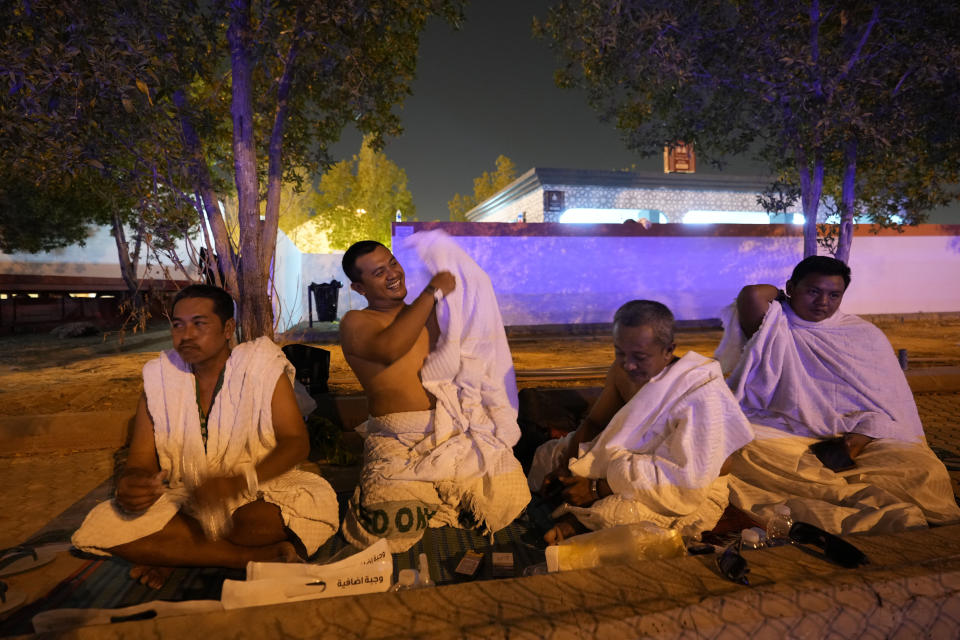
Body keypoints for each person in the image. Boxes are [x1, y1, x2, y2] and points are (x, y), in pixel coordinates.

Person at [72, 285, 339, 588]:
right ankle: (251, 559)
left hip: (262, 486)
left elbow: (296, 442)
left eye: (199, 324)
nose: (186, 335)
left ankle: (174, 554)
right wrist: (133, 484)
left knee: (259, 524)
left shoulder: (262, 366)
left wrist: (238, 482)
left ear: (228, 328)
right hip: (186, 497)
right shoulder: (160, 378)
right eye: (177, 324)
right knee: (103, 525)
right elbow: (140, 461)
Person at [716, 256, 960, 533]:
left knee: (923, 471)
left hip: (862, 435)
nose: (823, 302)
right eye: (813, 291)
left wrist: (859, 439)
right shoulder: (775, 322)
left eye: (834, 295)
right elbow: (753, 294)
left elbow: (889, 406)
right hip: (786, 430)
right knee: (746, 450)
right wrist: (783, 298)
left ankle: (833, 485)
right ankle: (842, 493)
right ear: (791, 288)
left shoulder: (863, 334)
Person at [338, 235, 530, 552]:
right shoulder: (356, 322)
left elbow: (472, 344)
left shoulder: (432, 313)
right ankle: (433, 497)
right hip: (399, 439)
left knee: (508, 501)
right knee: (392, 527)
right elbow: (390, 350)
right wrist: (431, 290)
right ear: (359, 288)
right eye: (378, 273)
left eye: (392, 263)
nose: (392, 274)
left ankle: (441, 497)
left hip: (452, 430)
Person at [528, 300, 753, 544]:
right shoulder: (623, 370)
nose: (628, 364)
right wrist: (567, 466)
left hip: (681, 485)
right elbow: (595, 422)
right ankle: (575, 514)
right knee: (548, 455)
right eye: (619, 352)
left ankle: (576, 525)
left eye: (640, 357)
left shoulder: (700, 390)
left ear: (668, 350)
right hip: (628, 462)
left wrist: (596, 488)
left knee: (616, 513)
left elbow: (689, 477)